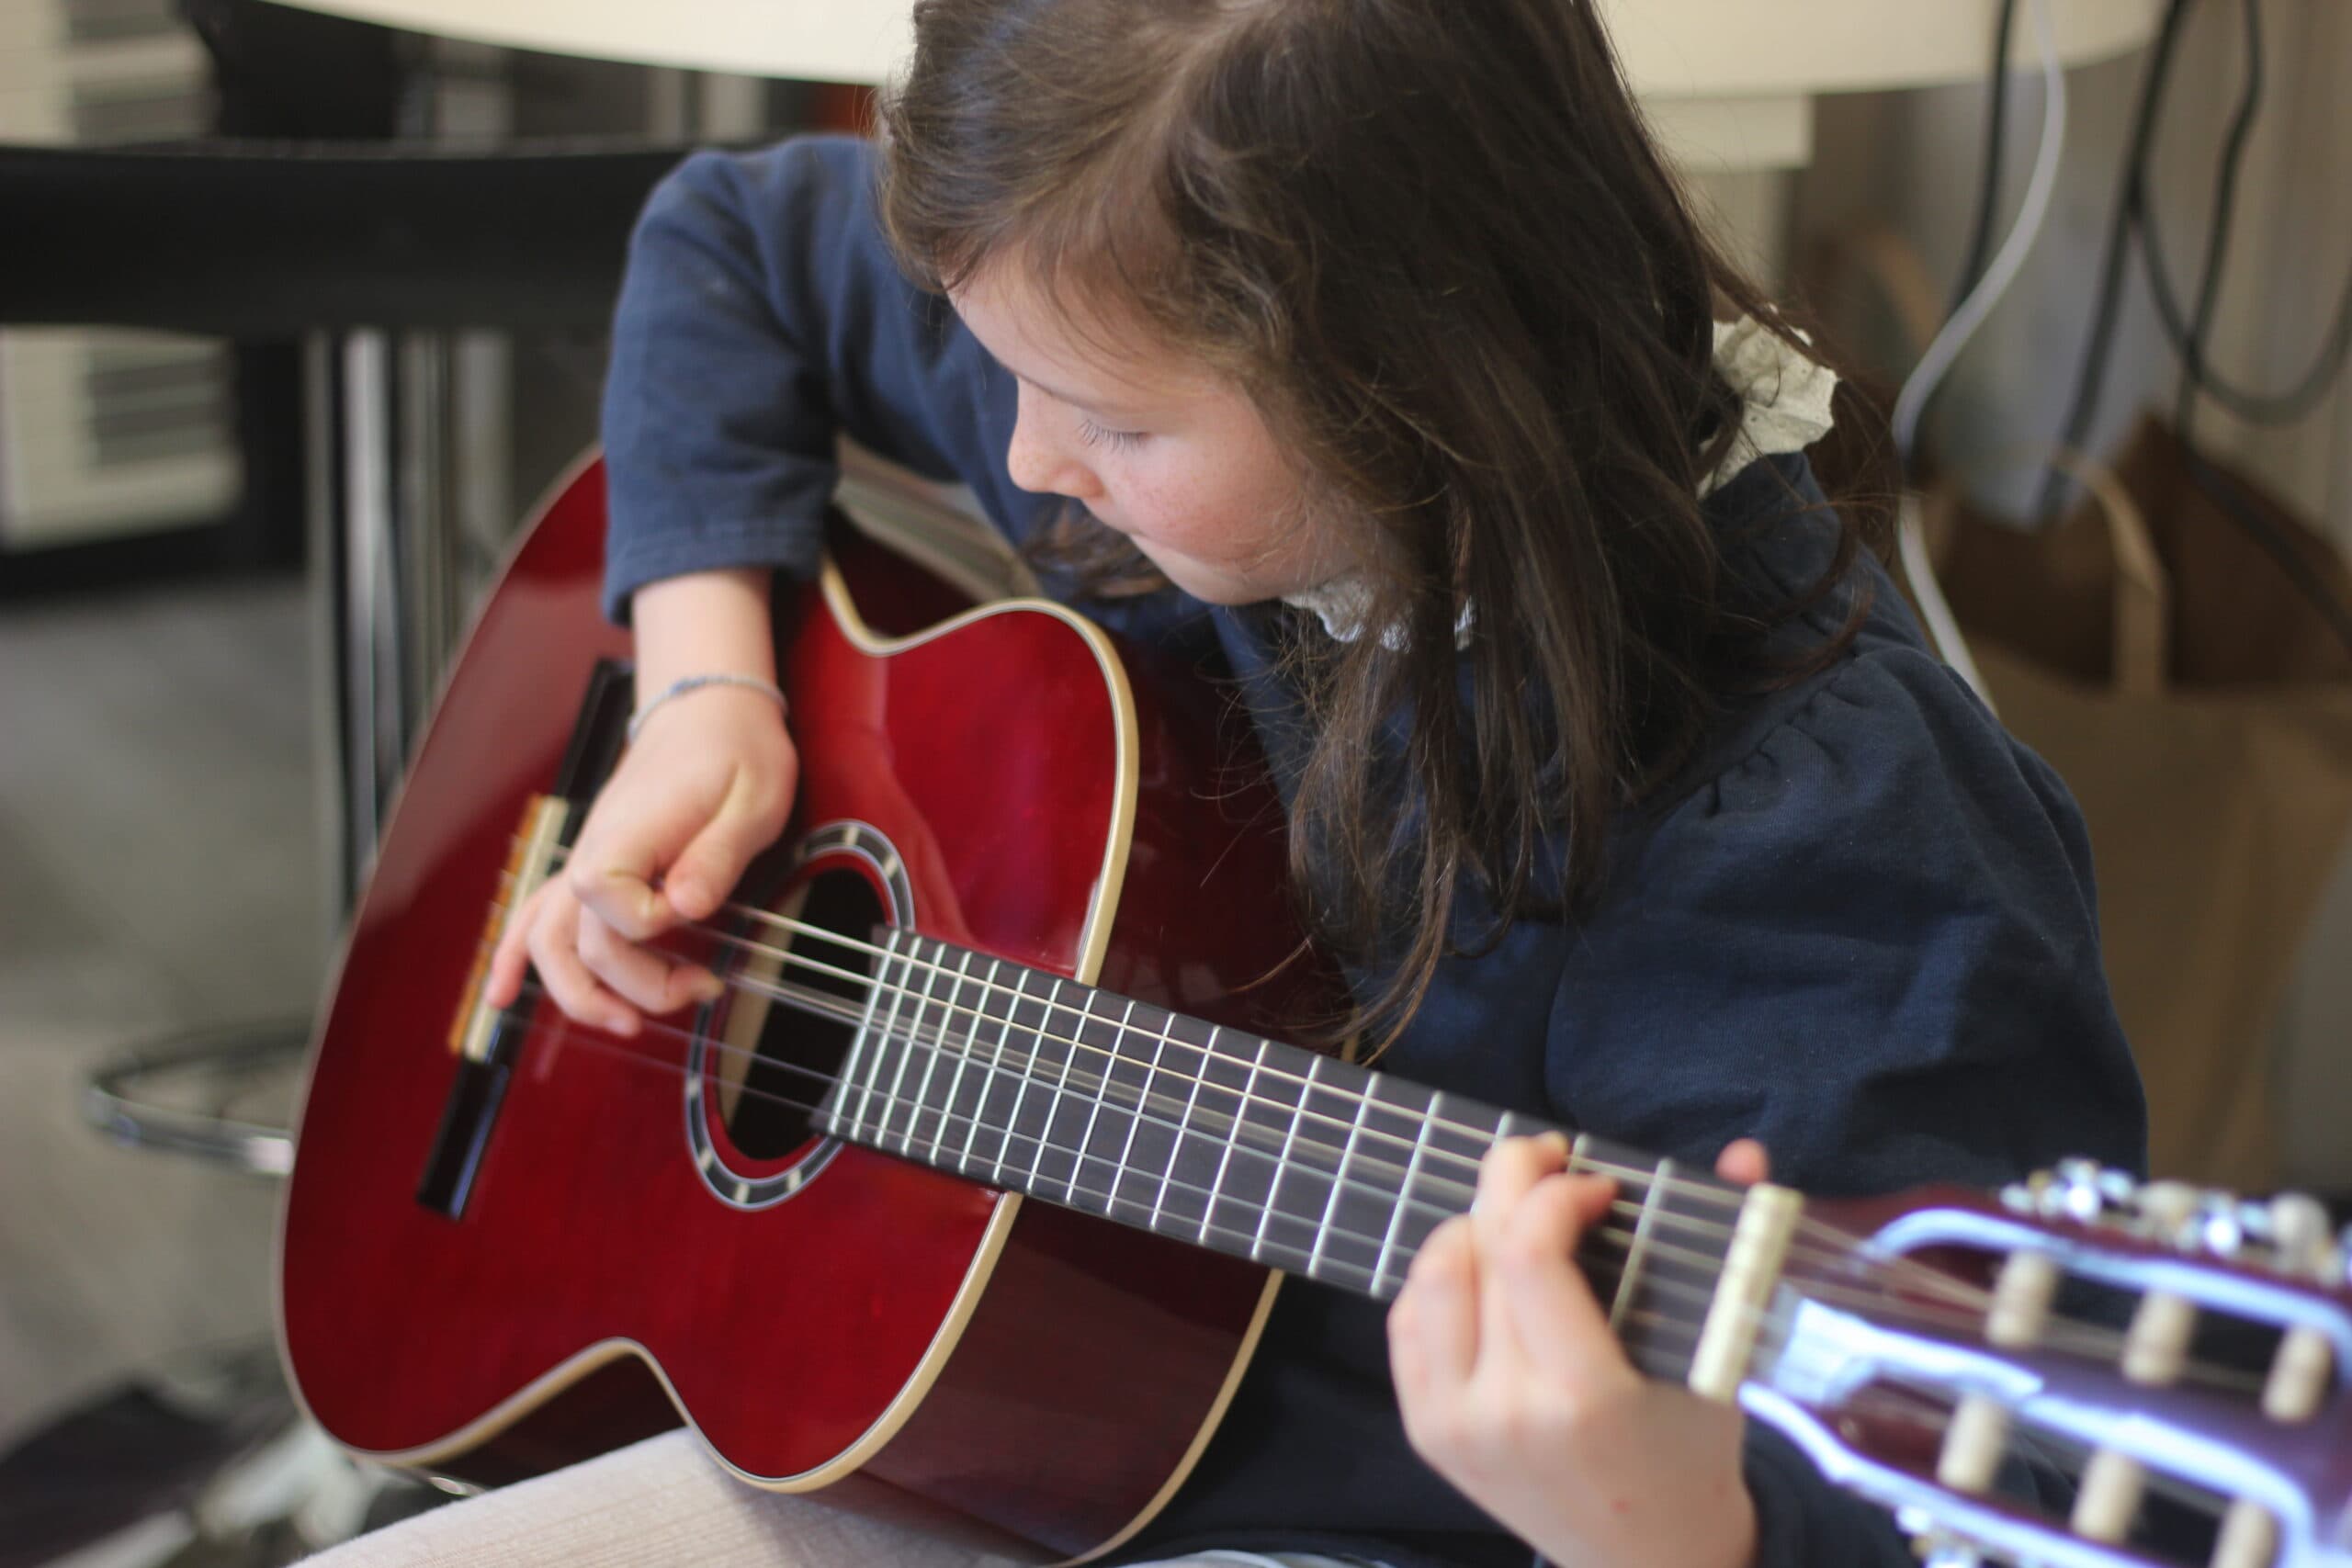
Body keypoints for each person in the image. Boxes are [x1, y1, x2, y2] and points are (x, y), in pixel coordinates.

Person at [460, 1, 2146, 1565]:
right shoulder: (1116, 296)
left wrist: (1679, 1529)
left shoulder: (1836, 841)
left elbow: (2009, 1499)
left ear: (1410, 394)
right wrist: (703, 692)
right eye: (1011, 371)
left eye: (1114, 425)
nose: (1030, 453)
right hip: (988, 1408)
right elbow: (729, 246)